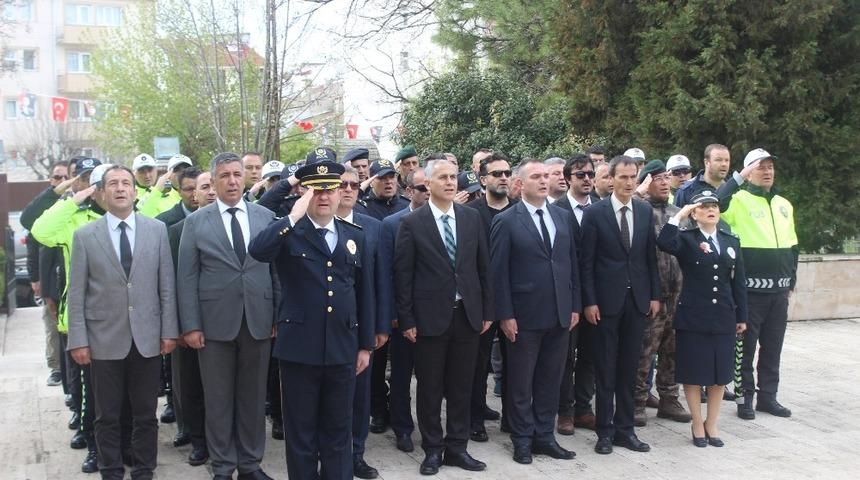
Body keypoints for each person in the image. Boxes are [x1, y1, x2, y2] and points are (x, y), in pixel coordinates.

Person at [248, 159, 374, 480]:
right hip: (298, 350)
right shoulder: (289, 231)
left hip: (342, 349)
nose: (324, 195)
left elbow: (364, 293)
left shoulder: (353, 235)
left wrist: (365, 345)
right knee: (301, 434)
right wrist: (292, 216)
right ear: (304, 192)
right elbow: (258, 251)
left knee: (337, 431)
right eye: (316, 189)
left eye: (331, 188)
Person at [66, 165, 179, 479]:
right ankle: (111, 469)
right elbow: (77, 293)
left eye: (126, 183)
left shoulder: (156, 230)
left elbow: (166, 285)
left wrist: (169, 330)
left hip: (147, 337)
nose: (120, 189)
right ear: (101, 192)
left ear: (134, 190)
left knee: (145, 414)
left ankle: (144, 470)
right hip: (103, 339)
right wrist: (78, 339)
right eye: (113, 183)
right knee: (106, 415)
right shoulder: (86, 236)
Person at [177, 152, 279, 480]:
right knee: (218, 401)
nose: (233, 181)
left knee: (252, 400)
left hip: (259, 320)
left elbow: (275, 270)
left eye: (237, 174)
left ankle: (250, 465)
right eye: (225, 176)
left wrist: (276, 314)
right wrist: (190, 325)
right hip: (213, 325)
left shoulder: (265, 216)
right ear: (214, 181)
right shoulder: (195, 222)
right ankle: (222, 467)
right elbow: (187, 278)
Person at [393, 159, 493, 475]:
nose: (451, 182)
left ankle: (457, 448)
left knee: (463, 385)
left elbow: (483, 269)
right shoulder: (413, 223)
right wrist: (407, 320)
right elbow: (403, 275)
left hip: (466, 316)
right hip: (428, 319)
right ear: (429, 183)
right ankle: (433, 449)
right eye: (443, 178)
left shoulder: (471, 218)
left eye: (453, 177)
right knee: (430, 388)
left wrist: (487, 311)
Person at [491, 159, 581, 464]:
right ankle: (522, 439)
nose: (544, 181)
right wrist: (505, 314)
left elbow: (572, 265)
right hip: (523, 316)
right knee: (521, 382)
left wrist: (574, 305)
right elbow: (498, 273)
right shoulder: (506, 220)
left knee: (550, 379)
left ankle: (545, 436)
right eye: (536, 177)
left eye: (547, 176)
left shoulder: (562, 217)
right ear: (520, 183)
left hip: (559, 312)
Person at [580, 155, 660, 455]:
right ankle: (605, 432)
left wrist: (653, 295)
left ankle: (626, 430)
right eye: (623, 177)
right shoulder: (596, 213)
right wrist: (589, 301)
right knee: (605, 370)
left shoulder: (643, 210)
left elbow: (649, 258)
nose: (629, 182)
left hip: (637, 301)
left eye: (633, 177)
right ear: (611, 179)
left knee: (630, 368)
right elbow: (585, 262)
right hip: (604, 303)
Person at [30, 157, 106, 472]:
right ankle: (94, 447)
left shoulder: (131, 212)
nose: (91, 185)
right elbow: (39, 230)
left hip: (123, 320)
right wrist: (75, 198)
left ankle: (123, 446)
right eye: (86, 180)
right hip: (83, 320)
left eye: (95, 181)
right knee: (89, 394)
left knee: (123, 395)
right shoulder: (74, 217)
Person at [657, 191, 748, 447]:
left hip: (723, 316)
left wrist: (741, 315)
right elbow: (664, 243)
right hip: (694, 316)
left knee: (720, 373)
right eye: (704, 206)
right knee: (695, 372)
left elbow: (738, 280)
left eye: (714, 206)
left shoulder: (731, 241)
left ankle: (712, 423)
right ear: (695, 213)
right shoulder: (686, 239)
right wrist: (681, 215)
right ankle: (697, 423)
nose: (711, 210)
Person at [720, 148, 798, 420]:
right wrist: (737, 179)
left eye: (770, 167)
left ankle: (768, 397)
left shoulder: (783, 204)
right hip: (750, 291)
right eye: (760, 167)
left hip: (779, 291)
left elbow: (793, 245)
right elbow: (714, 203)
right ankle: (745, 398)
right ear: (748, 171)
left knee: (773, 347)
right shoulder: (737, 200)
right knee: (745, 349)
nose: (767, 172)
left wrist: (792, 279)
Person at [335, 166, 387, 479]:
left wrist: (379, 326)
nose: (350, 189)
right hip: (326, 327)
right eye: (342, 184)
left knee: (359, 395)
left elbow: (381, 281)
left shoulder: (373, 227)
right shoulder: (313, 224)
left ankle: (356, 454)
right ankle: (329, 455)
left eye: (355, 184)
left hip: (361, 327)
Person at [632, 161, 691, 426]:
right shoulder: (639, 210)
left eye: (666, 178)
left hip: (678, 296)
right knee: (644, 353)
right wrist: (639, 191)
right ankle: (637, 402)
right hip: (652, 296)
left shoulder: (679, 213)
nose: (664, 183)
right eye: (657, 178)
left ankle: (669, 398)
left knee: (673, 352)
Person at [167, 171, 216, 466]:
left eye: (213, 186)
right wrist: (182, 326)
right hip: (191, 324)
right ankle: (198, 440)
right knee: (193, 386)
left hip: (225, 322)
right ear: (193, 194)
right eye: (204, 187)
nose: (211, 191)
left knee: (220, 391)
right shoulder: (176, 231)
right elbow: (171, 282)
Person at [378, 169, 429, 454]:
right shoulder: (392, 224)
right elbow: (387, 272)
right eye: (422, 188)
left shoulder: (450, 219)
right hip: (402, 316)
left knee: (431, 377)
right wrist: (393, 313)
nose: (428, 192)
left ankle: (430, 427)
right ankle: (402, 428)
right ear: (408, 191)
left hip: (436, 315)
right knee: (400, 376)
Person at [465, 153, 514, 442]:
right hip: (481, 303)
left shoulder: (521, 210)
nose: (503, 178)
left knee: (515, 364)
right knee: (477, 365)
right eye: (497, 173)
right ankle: (475, 417)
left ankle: (512, 417)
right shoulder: (470, 213)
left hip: (515, 302)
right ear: (483, 180)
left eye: (507, 172)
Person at [553, 153, 597, 435]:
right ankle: (564, 411)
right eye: (581, 175)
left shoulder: (602, 209)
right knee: (565, 357)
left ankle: (584, 408)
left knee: (590, 356)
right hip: (566, 296)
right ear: (568, 178)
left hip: (595, 297)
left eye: (591, 174)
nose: (587, 179)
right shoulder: (556, 210)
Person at [21, 160, 69, 387]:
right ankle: (57, 368)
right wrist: (35, 279)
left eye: (65, 177)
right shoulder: (46, 206)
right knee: (52, 326)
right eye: (57, 177)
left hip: (72, 276)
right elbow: (32, 243)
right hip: (50, 276)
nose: (61, 181)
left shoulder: (77, 203)